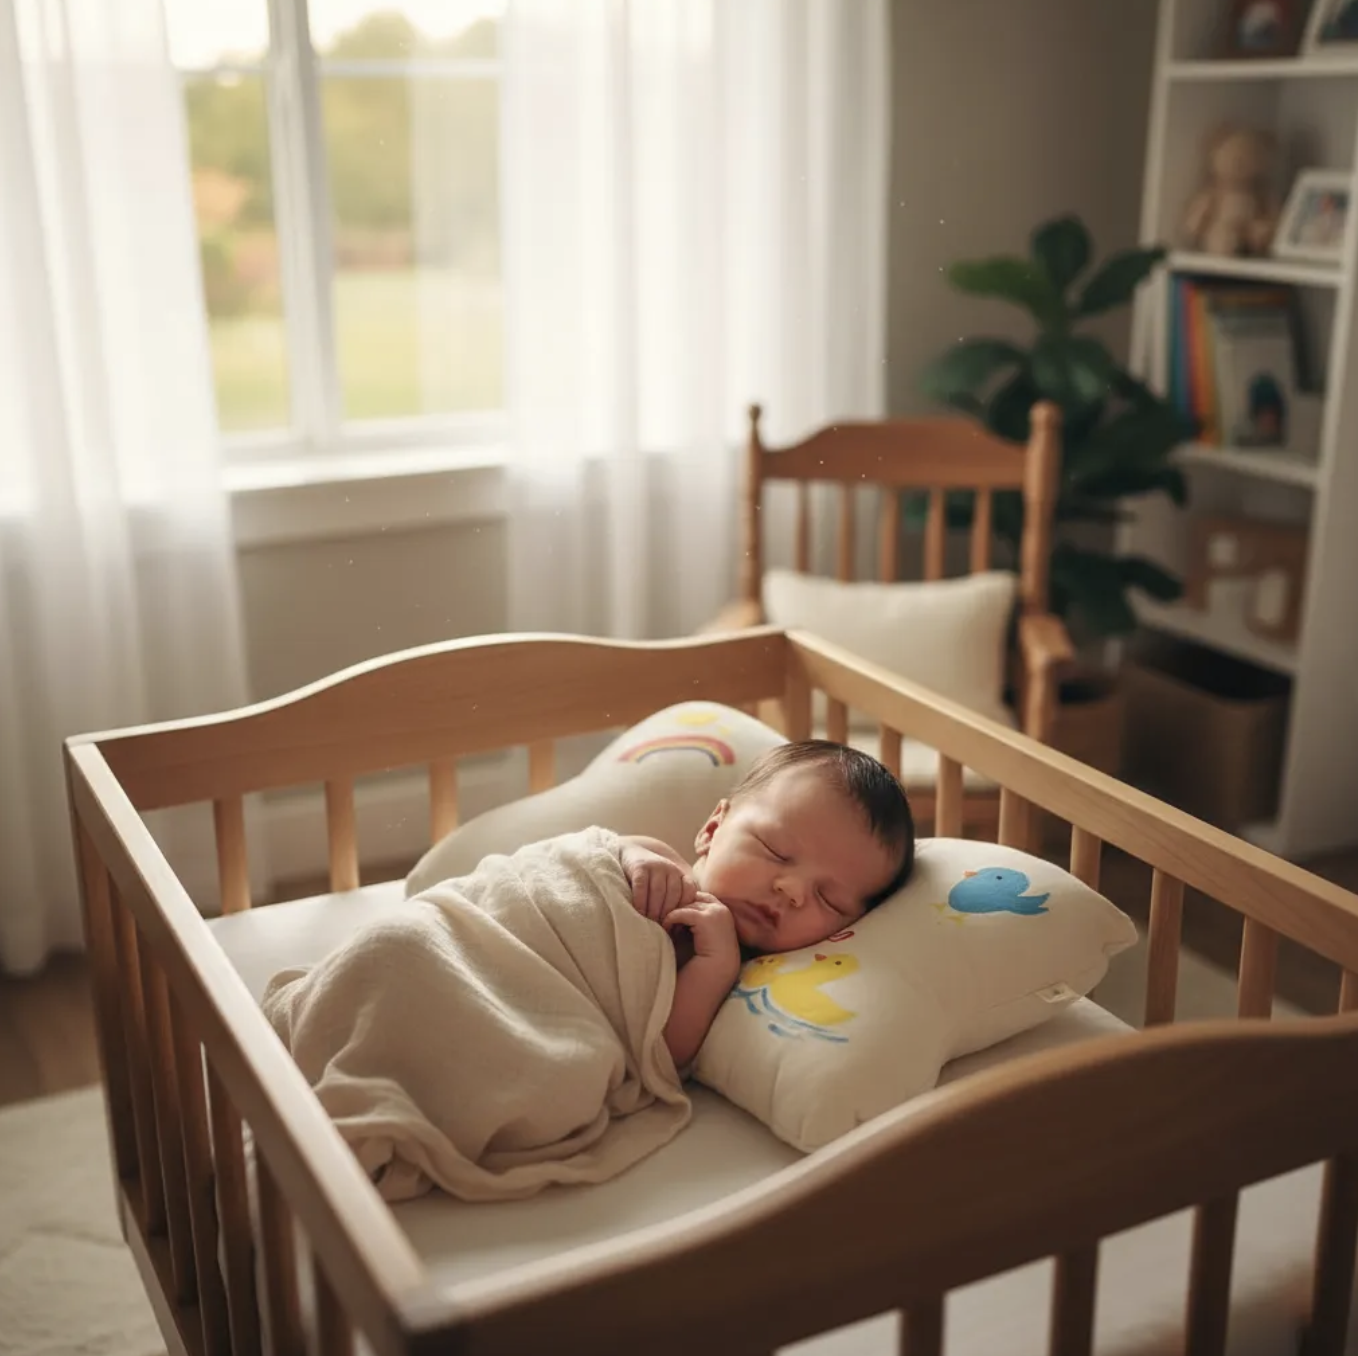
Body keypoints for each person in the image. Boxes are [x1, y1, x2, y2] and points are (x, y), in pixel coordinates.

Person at [616, 739, 914, 1068]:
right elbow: (584, 853)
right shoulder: (659, 861)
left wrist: (714, 967)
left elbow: (658, 1057)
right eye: (776, 851)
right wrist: (632, 855)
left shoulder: (736, 980)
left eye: (828, 899)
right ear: (713, 829)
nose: (792, 891)